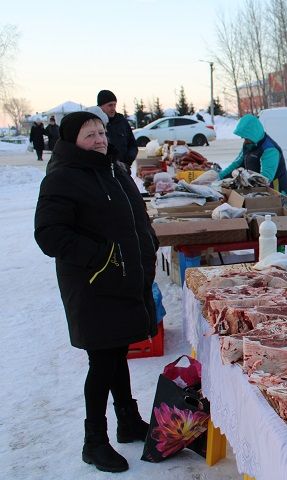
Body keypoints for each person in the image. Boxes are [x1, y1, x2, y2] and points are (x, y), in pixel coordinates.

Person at [34, 111, 159, 473]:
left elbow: (136, 218)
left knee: (117, 352)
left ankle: (128, 421)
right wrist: (104, 257)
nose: (100, 139)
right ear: (73, 140)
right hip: (93, 286)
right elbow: (49, 234)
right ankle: (94, 442)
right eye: (90, 135)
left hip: (122, 280)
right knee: (103, 361)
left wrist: (146, 245)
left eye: (102, 132)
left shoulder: (114, 169)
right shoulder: (63, 178)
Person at [218, 114, 287, 195]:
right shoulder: (249, 144)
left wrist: (245, 180)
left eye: (246, 138)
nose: (244, 140)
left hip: (275, 192)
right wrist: (219, 176)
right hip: (257, 190)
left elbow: (265, 179)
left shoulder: (270, 149)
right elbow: (237, 163)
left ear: (253, 134)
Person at [97, 89, 138, 171]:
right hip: (104, 171)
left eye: (114, 105)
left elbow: (133, 145)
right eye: (110, 105)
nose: (113, 108)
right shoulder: (96, 123)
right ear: (100, 107)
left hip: (124, 169)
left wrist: (127, 163)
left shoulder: (122, 121)